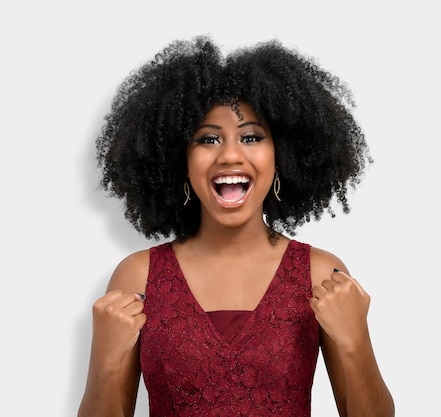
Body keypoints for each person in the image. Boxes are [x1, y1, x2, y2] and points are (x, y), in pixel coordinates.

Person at [78, 34, 395, 417]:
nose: (230, 154)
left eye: (251, 137)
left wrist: (355, 342)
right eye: (209, 139)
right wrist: (106, 362)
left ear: (283, 156)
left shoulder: (319, 274)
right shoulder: (138, 276)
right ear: (181, 159)